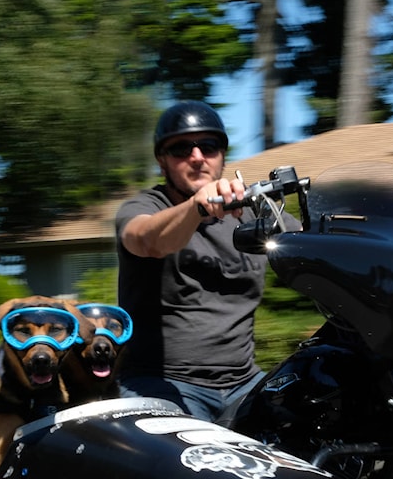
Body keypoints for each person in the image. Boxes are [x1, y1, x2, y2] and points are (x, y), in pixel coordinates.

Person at [114, 101, 294, 421]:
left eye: (208, 146)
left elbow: (315, 240)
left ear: (222, 155)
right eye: (181, 149)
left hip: (244, 382)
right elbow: (146, 239)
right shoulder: (147, 206)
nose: (197, 157)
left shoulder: (252, 211)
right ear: (162, 162)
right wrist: (196, 207)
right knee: (185, 453)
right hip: (160, 382)